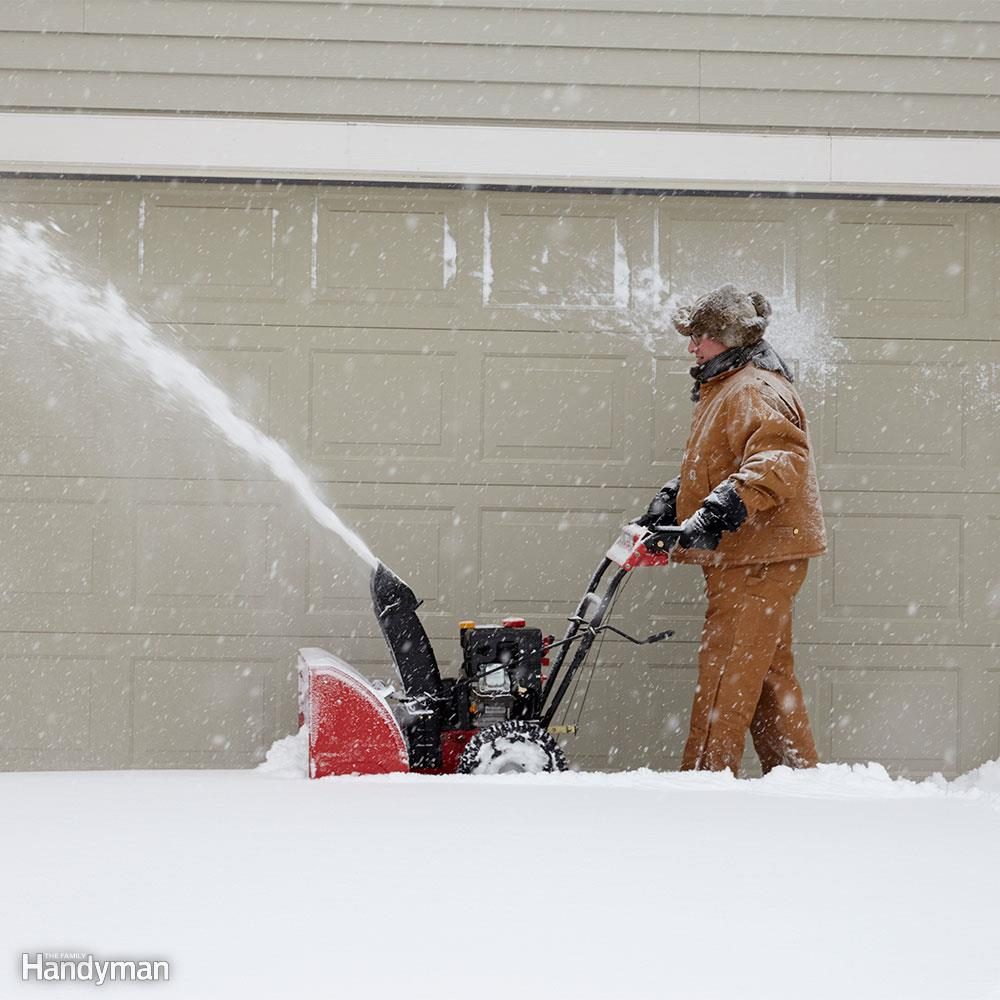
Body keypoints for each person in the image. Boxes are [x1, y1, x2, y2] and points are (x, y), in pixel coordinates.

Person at [636, 283, 826, 774]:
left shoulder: (752, 388)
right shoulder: (729, 388)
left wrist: (724, 506)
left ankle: (703, 787)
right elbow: (723, 463)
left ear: (726, 337)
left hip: (756, 559)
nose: (692, 346)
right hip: (754, 556)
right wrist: (673, 502)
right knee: (764, 677)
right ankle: (796, 779)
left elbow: (780, 458)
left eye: (699, 336)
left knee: (724, 675)